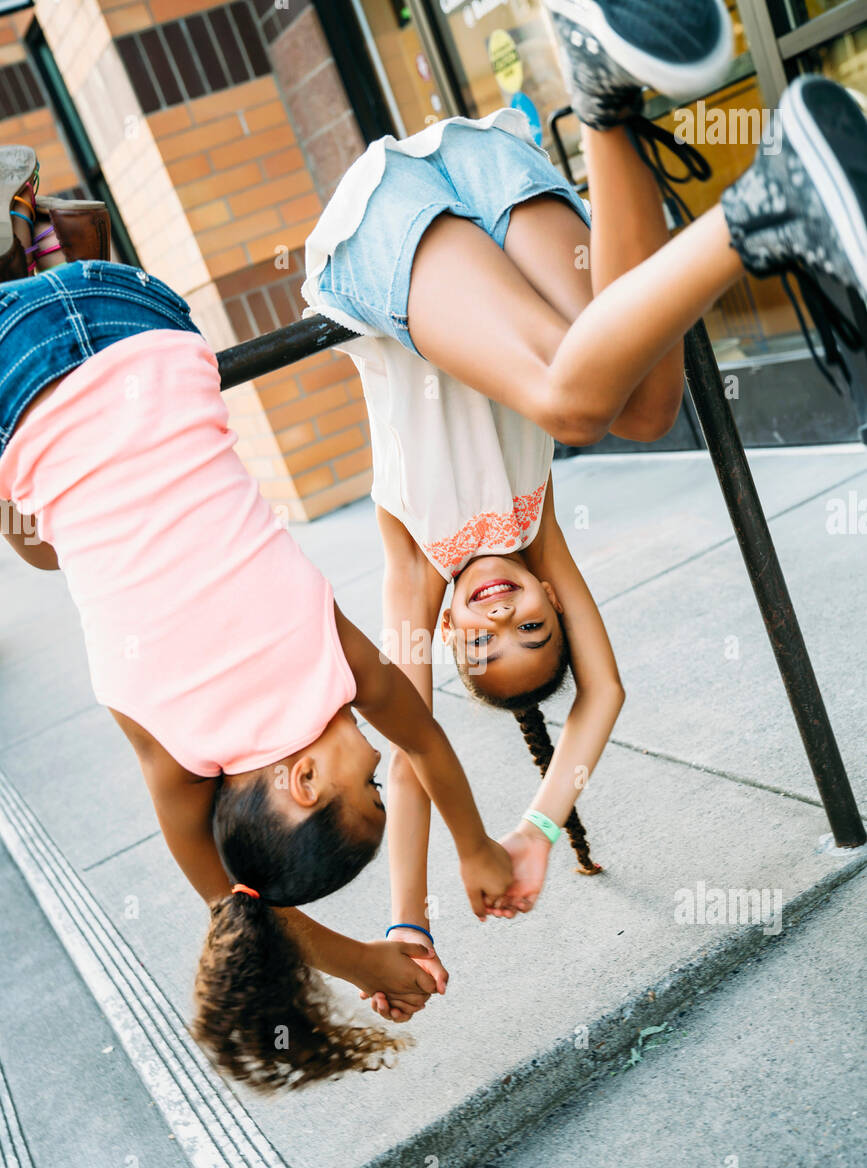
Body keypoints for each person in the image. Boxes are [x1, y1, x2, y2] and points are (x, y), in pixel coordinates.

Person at [300, 0, 867, 1020]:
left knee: (573, 393)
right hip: (482, 176)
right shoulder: (535, 522)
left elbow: (412, 740)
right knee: (643, 401)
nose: (502, 610)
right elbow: (602, 695)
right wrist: (540, 830)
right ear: (558, 604)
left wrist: (407, 920)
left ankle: (766, 203)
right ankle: (604, 100)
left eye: (484, 642)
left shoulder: (416, 563)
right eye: (535, 626)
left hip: (383, 229)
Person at [0, 251, 520, 1090]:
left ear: (305, 778)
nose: (378, 771)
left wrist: (475, 846)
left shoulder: (328, 662)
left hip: (144, 323)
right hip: (15, 378)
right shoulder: (167, 747)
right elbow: (232, 907)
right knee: (41, 539)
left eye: (369, 788)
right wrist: (360, 961)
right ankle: (33, 255)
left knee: (58, 522)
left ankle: (50, 252)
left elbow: (421, 738)